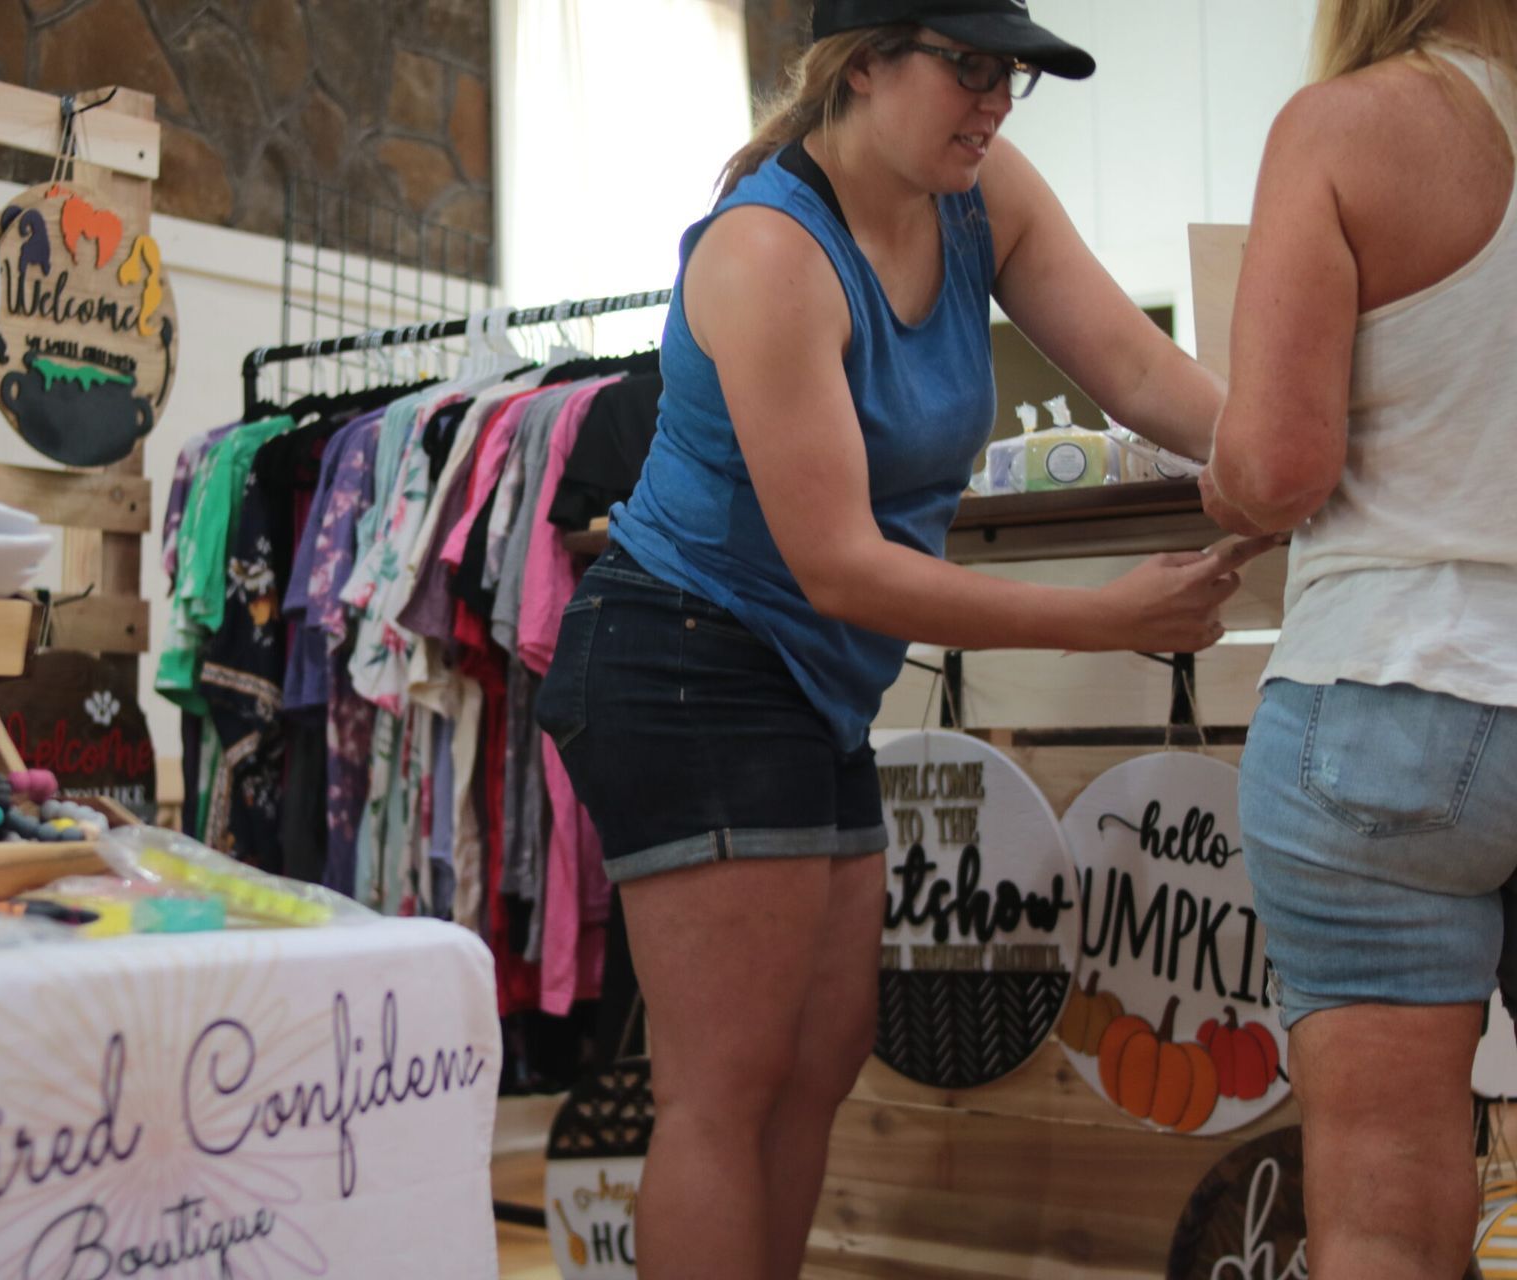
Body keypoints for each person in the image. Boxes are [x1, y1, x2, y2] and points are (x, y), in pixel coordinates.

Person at [534, 1, 1276, 1276]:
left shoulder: (984, 193)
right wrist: (1106, 614)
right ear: (863, 60)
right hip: (685, 659)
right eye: (971, 69)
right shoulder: (767, 251)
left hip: (799, 677)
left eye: (1013, 78)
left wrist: (1296, 455)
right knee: (726, 1085)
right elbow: (841, 564)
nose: (996, 103)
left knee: (818, 1063)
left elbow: (1141, 376)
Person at [1204, 0, 1517, 1273]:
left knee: (1386, 1204)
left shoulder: (1348, 130)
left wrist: (1226, 480)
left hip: (1386, 692)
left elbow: (1279, 464)